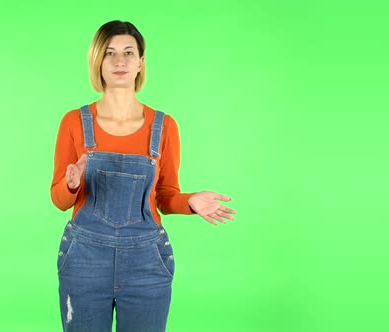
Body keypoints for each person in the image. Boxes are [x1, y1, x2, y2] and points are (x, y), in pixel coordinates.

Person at [50, 20, 236, 332]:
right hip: (84, 259)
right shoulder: (73, 122)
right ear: (98, 61)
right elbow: (58, 200)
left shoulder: (164, 126)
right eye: (109, 53)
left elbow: (165, 197)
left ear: (141, 62)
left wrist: (190, 201)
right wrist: (71, 184)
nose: (119, 61)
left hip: (146, 262)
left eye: (128, 52)